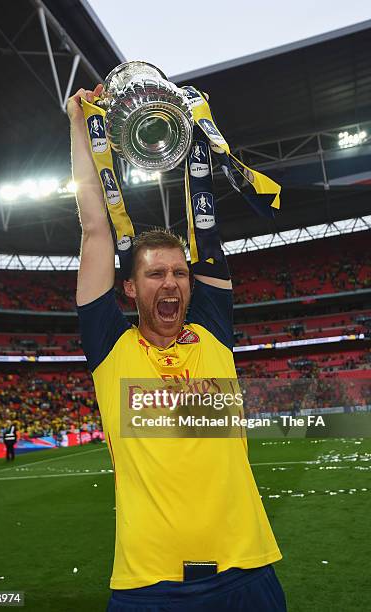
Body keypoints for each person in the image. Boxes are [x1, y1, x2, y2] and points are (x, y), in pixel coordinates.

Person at [67, 84, 286, 612]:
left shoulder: (212, 331)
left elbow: (207, 239)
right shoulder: (112, 351)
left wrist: (189, 126)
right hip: (149, 585)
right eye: (155, 273)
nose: (170, 283)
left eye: (179, 273)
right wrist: (78, 123)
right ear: (130, 288)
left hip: (247, 570)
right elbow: (97, 231)